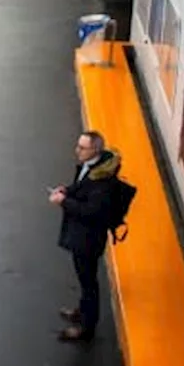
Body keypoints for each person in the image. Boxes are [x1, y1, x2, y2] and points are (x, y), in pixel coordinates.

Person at [49, 131, 120, 343]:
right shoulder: (91, 167)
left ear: (95, 151)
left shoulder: (103, 181)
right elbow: (81, 188)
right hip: (82, 235)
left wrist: (63, 201)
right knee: (83, 278)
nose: (77, 150)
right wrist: (67, 191)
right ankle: (82, 311)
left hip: (88, 240)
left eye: (82, 148)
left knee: (88, 282)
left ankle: (87, 326)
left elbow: (90, 210)